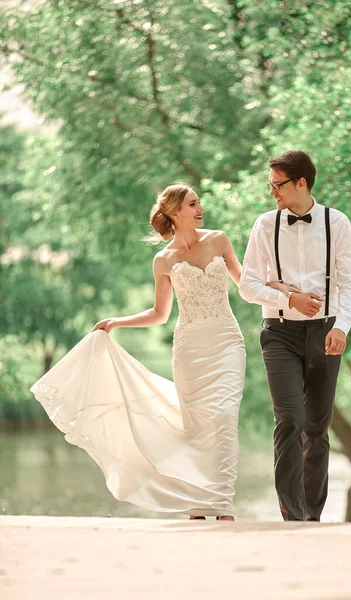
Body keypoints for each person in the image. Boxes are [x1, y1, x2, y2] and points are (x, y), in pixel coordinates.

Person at [30, 183, 246, 521]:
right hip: (190, 350)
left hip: (227, 343)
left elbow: (244, 282)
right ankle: (197, 503)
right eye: (192, 203)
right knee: (195, 426)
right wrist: (116, 322)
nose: (200, 207)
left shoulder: (218, 240)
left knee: (223, 419)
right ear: (175, 212)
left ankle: (221, 503)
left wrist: (278, 290)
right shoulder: (164, 260)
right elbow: (160, 314)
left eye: (198, 202)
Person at [239, 150, 351, 522]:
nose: (271, 193)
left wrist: (341, 326)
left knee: (316, 427)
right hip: (279, 333)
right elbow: (247, 284)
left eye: (277, 185)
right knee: (290, 419)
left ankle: (312, 515)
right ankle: (291, 513)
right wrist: (286, 296)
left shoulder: (336, 223)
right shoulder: (265, 225)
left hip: (326, 331)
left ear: (301, 184)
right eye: (270, 185)